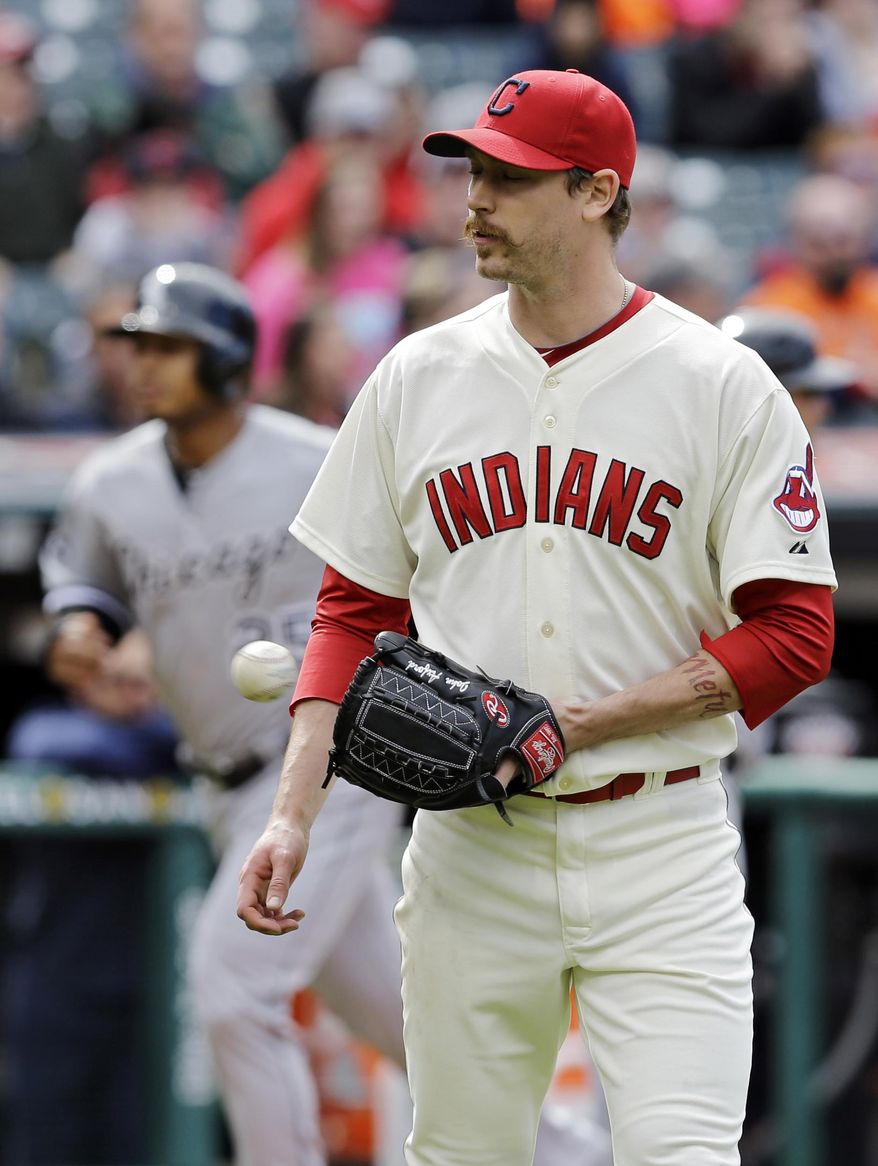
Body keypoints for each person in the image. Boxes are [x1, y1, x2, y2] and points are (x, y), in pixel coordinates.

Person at [237, 68, 838, 1165]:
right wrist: (291, 814)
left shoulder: (719, 382)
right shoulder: (415, 376)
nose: (472, 199)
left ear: (597, 190)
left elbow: (794, 631)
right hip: (471, 846)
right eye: (471, 171)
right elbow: (350, 610)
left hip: (658, 838)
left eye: (507, 179)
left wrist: (579, 722)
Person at [38, 262, 408, 1166]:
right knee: (411, 1027)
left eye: (171, 347)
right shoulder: (109, 483)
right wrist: (86, 640)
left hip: (328, 763)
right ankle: (569, 1152)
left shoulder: (315, 460)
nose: (146, 364)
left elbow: (410, 585)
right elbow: (84, 600)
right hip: (221, 782)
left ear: (229, 358)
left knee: (235, 995)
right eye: (140, 345)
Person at [2, 630, 179, 1166]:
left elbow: (201, 739)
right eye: (113, 682)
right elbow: (48, 744)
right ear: (80, 683)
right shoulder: (50, 728)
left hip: (154, 987)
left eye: (139, 683)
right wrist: (147, 740)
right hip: (56, 981)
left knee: (139, 1141)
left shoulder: (175, 736)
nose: (129, 693)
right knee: (47, 1139)